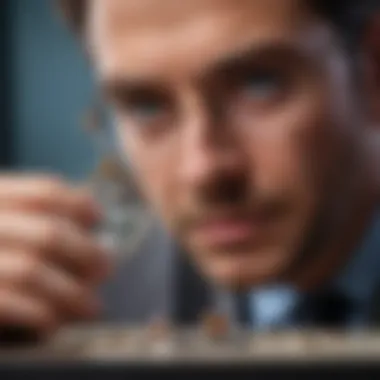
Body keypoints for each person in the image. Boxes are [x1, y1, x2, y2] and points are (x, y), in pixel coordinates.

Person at [0, 0, 380, 340]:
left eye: (259, 84)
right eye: (145, 107)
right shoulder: (82, 310)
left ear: (372, 66)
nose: (203, 170)